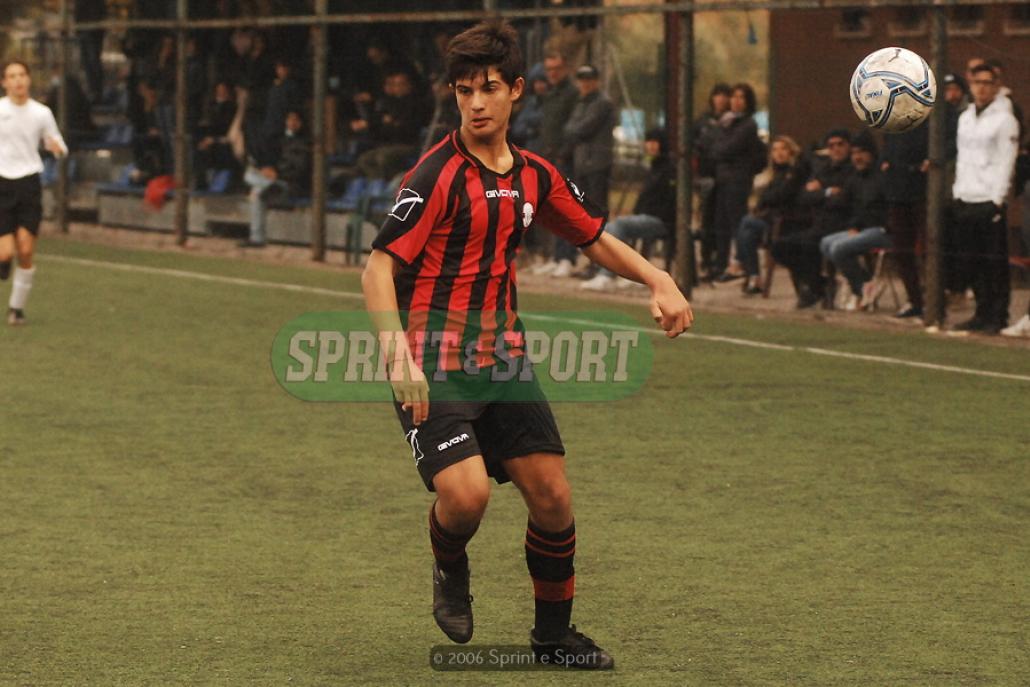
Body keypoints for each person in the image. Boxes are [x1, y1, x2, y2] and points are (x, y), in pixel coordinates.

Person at [361, 20, 692, 669]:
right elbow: (377, 269)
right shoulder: (434, 175)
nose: (476, 104)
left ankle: (552, 638)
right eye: (464, 91)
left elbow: (592, 237)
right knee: (466, 498)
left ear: (517, 90)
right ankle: (450, 562)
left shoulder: (536, 174)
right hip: (432, 362)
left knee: (553, 496)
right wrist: (398, 357)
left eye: (488, 88)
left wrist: (658, 278)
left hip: (503, 362)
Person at [949, 64, 1019, 334]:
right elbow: (962, 158)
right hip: (966, 196)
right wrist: (957, 191)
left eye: (987, 83)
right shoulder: (966, 117)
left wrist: (997, 199)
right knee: (972, 261)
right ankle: (981, 312)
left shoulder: (1005, 120)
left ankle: (997, 315)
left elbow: (1006, 161)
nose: (981, 88)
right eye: (977, 82)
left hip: (988, 199)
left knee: (993, 262)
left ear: (996, 86)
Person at [0, 60, 68, 326]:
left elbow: (58, 142)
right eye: (12, 76)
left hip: (29, 184)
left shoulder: (41, 113)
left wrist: (57, 148)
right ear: (4, 82)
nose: (17, 80)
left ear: (28, 79)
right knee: (6, 253)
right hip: (2, 183)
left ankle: (16, 309)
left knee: (26, 250)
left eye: (21, 75)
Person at [580, 128, 675, 291]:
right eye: (648, 141)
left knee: (620, 225)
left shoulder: (669, 170)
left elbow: (668, 201)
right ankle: (620, 272)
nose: (650, 146)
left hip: (661, 220)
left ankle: (607, 275)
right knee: (608, 228)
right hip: (646, 216)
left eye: (655, 142)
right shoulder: (653, 167)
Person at [771, 128, 854, 308]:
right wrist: (828, 192)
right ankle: (818, 285)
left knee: (808, 244)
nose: (836, 149)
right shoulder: (824, 169)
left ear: (848, 146)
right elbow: (803, 197)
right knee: (780, 246)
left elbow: (844, 199)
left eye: (840, 144)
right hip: (819, 224)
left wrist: (820, 192)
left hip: (843, 224)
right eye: (831, 145)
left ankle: (814, 289)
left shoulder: (852, 170)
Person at [818, 131, 890, 310]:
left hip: (882, 230)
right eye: (854, 153)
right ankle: (865, 284)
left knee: (839, 248)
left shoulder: (881, 177)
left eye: (862, 152)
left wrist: (858, 226)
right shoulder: (855, 178)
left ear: (871, 153)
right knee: (826, 243)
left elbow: (878, 209)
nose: (857, 157)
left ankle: (861, 288)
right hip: (863, 229)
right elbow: (846, 203)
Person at [735, 135, 807, 295]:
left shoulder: (794, 172)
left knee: (746, 221)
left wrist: (767, 199)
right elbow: (764, 198)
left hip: (785, 222)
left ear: (791, 152)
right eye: (775, 150)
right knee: (747, 234)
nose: (779, 153)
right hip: (769, 220)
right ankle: (754, 277)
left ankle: (740, 265)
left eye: (783, 149)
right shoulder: (772, 174)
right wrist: (767, 199)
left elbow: (781, 195)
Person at [710, 82, 763, 281]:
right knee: (721, 224)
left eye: (741, 97)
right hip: (722, 179)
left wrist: (720, 150)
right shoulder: (725, 122)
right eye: (734, 96)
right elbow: (714, 147)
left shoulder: (748, 125)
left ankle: (741, 263)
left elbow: (726, 148)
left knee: (737, 223)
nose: (736, 101)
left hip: (738, 180)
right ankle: (721, 264)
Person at [881, 115, 929, 318]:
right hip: (898, 193)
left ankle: (936, 300)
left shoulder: (929, 119)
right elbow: (887, 151)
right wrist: (885, 164)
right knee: (901, 251)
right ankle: (914, 300)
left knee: (929, 249)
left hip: (924, 193)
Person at [242, 110, 311, 247]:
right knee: (250, 175)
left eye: (295, 120)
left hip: (290, 185)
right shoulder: (279, 140)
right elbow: (271, 160)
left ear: (301, 123)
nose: (292, 123)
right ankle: (257, 238)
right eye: (289, 119)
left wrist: (277, 174)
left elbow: (299, 170)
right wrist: (267, 170)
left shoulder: (304, 143)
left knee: (256, 192)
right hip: (275, 181)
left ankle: (257, 238)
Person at [694, 83, 732, 279]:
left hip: (724, 180)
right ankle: (707, 260)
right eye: (718, 95)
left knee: (722, 223)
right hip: (706, 179)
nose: (721, 99)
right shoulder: (703, 122)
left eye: (725, 95)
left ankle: (720, 262)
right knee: (706, 220)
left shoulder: (732, 123)